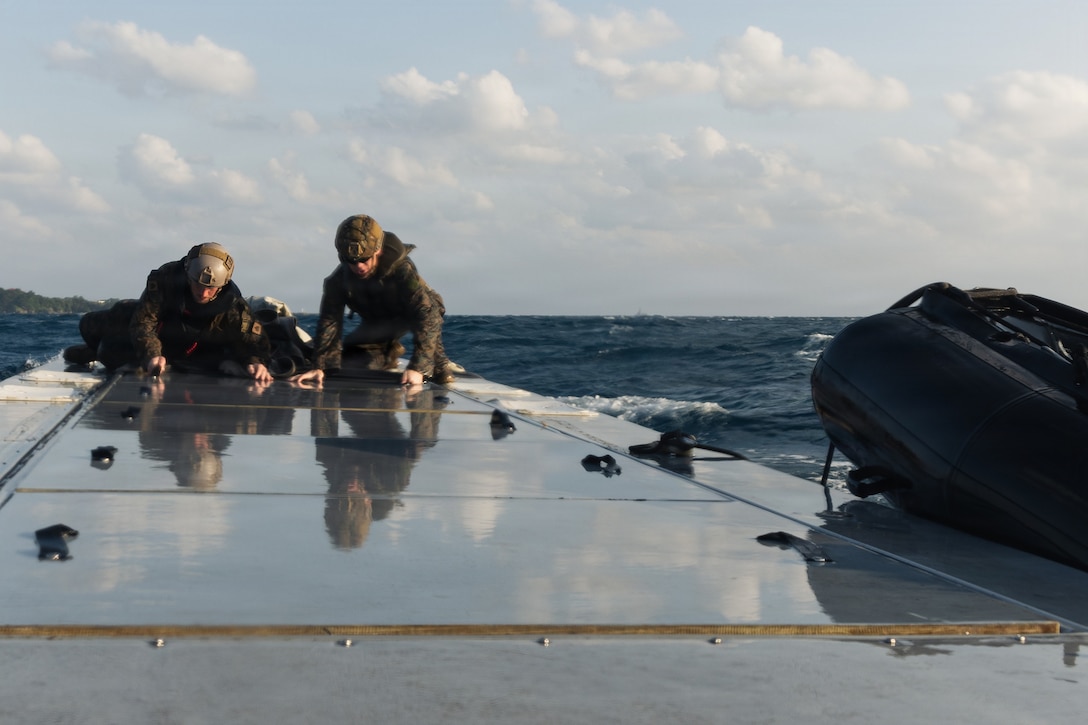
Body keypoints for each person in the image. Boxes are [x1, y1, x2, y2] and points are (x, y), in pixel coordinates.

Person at [64, 243, 273, 383]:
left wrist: (255, 363)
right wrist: (152, 355)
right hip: (158, 330)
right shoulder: (166, 280)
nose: (203, 292)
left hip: (196, 348)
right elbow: (143, 323)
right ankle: (91, 351)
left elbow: (256, 342)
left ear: (222, 286)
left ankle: (99, 353)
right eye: (197, 285)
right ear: (187, 275)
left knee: (108, 351)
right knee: (89, 325)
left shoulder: (233, 307)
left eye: (210, 289)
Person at [290, 214, 453, 387]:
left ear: (378, 251)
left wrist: (419, 368)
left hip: (414, 314)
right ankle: (388, 352)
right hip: (379, 322)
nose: (358, 266)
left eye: (364, 259)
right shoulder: (338, 281)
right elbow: (330, 323)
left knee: (436, 364)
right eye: (351, 261)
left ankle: (440, 366)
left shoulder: (402, 271)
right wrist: (320, 367)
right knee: (352, 363)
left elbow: (427, 315)